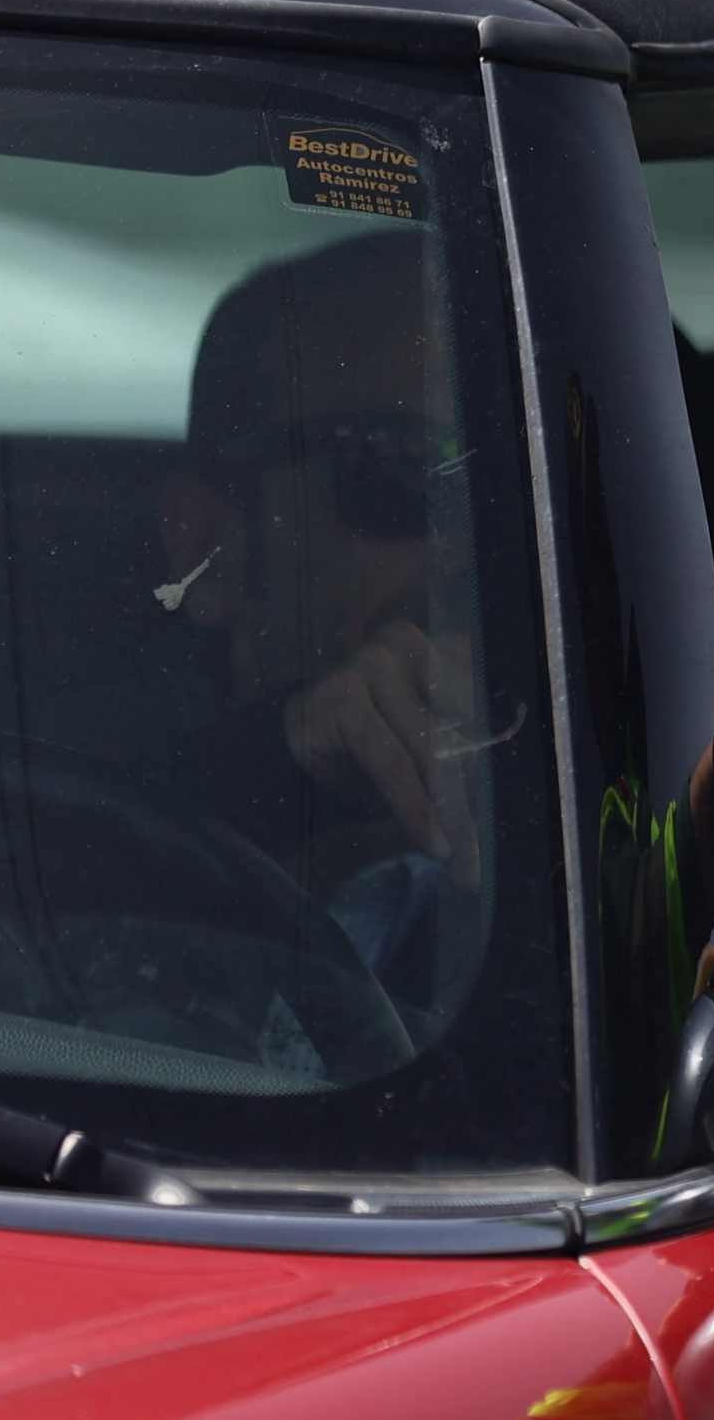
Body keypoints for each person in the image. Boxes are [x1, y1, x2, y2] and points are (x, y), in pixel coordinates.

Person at [156, 230, 486, 985]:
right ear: (203, 543)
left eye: (518, 493)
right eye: (403, 471)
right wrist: (279, 769)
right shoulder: (54, 815)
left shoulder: (711, 907)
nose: (473, 552)